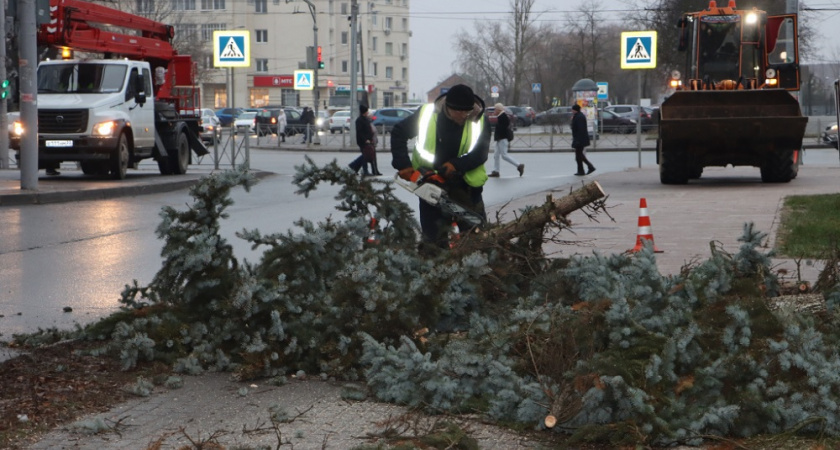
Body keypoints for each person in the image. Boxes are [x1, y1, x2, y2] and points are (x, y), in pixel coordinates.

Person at [391, 83, 491, 248]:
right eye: (459, 112)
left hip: (466, 187)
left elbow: (481, 153)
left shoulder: (479, 121)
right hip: (431, 186)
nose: (463, 116)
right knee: (434, 241)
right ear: (448, 107)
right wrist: (403, 165)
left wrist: (456, 165)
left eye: (467, 112)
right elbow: (398, 133)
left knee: (476, 237)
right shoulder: (426, 114)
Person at [488, 103, 524, 177]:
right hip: (500, 139)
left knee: (504, 155)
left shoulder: (503, 117)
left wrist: (499, 136)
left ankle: (519, 165)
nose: (494, 110)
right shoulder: (501, 116)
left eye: (495, 109)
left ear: (498, 110)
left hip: (502, 139)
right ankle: (496, 171)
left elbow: (503, 128)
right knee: (496, 155)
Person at [349, 104, 381, 176]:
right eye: (367, 111)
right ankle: (364, 170)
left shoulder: (366, 119)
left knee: (368, 155)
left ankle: (354, 167)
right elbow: (360, 132)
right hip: (363, 142)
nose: (367, 112)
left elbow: (369, 129)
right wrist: (365, 140)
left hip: (369, 141)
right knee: (365, 156)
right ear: (364, 111)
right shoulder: (359, 120)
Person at [570, 103, 595, 176]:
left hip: (580, 139)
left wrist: (578, 140)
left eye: (572, 110)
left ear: (575, 110)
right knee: (579, 155)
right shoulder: (577, 116)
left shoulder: (579, 117)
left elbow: (580, 129)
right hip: (579, 139)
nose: (571, 111)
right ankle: (585, 169)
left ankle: (587, 168)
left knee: (579, 156)